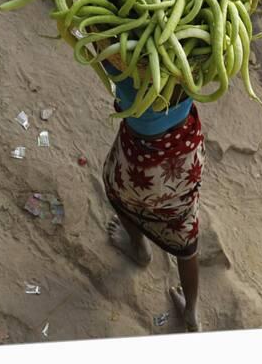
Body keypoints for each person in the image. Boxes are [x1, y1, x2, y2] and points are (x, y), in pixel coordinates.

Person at [102, 60, 206, 332]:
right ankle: (191, 310)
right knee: (184, 227)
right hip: (186, 156)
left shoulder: (120, 67)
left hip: (141, 167)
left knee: (118, 193)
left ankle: (140, 248)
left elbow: (95, 43)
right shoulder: (193, 63)